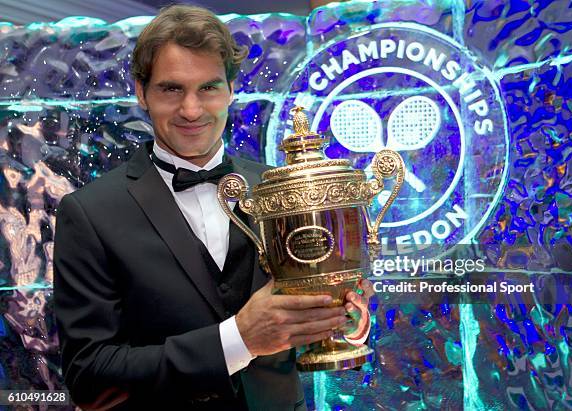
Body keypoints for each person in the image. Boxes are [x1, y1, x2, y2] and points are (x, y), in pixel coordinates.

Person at [53, 5, 373, 411]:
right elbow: (90, 378)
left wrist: (343, 316)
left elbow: (313, 331)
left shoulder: (285, 191)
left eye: (208, 88)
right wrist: (238, 340)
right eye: (172, 89)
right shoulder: (90, 214)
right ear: (141, 92)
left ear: (231, 89)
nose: (191, 110)